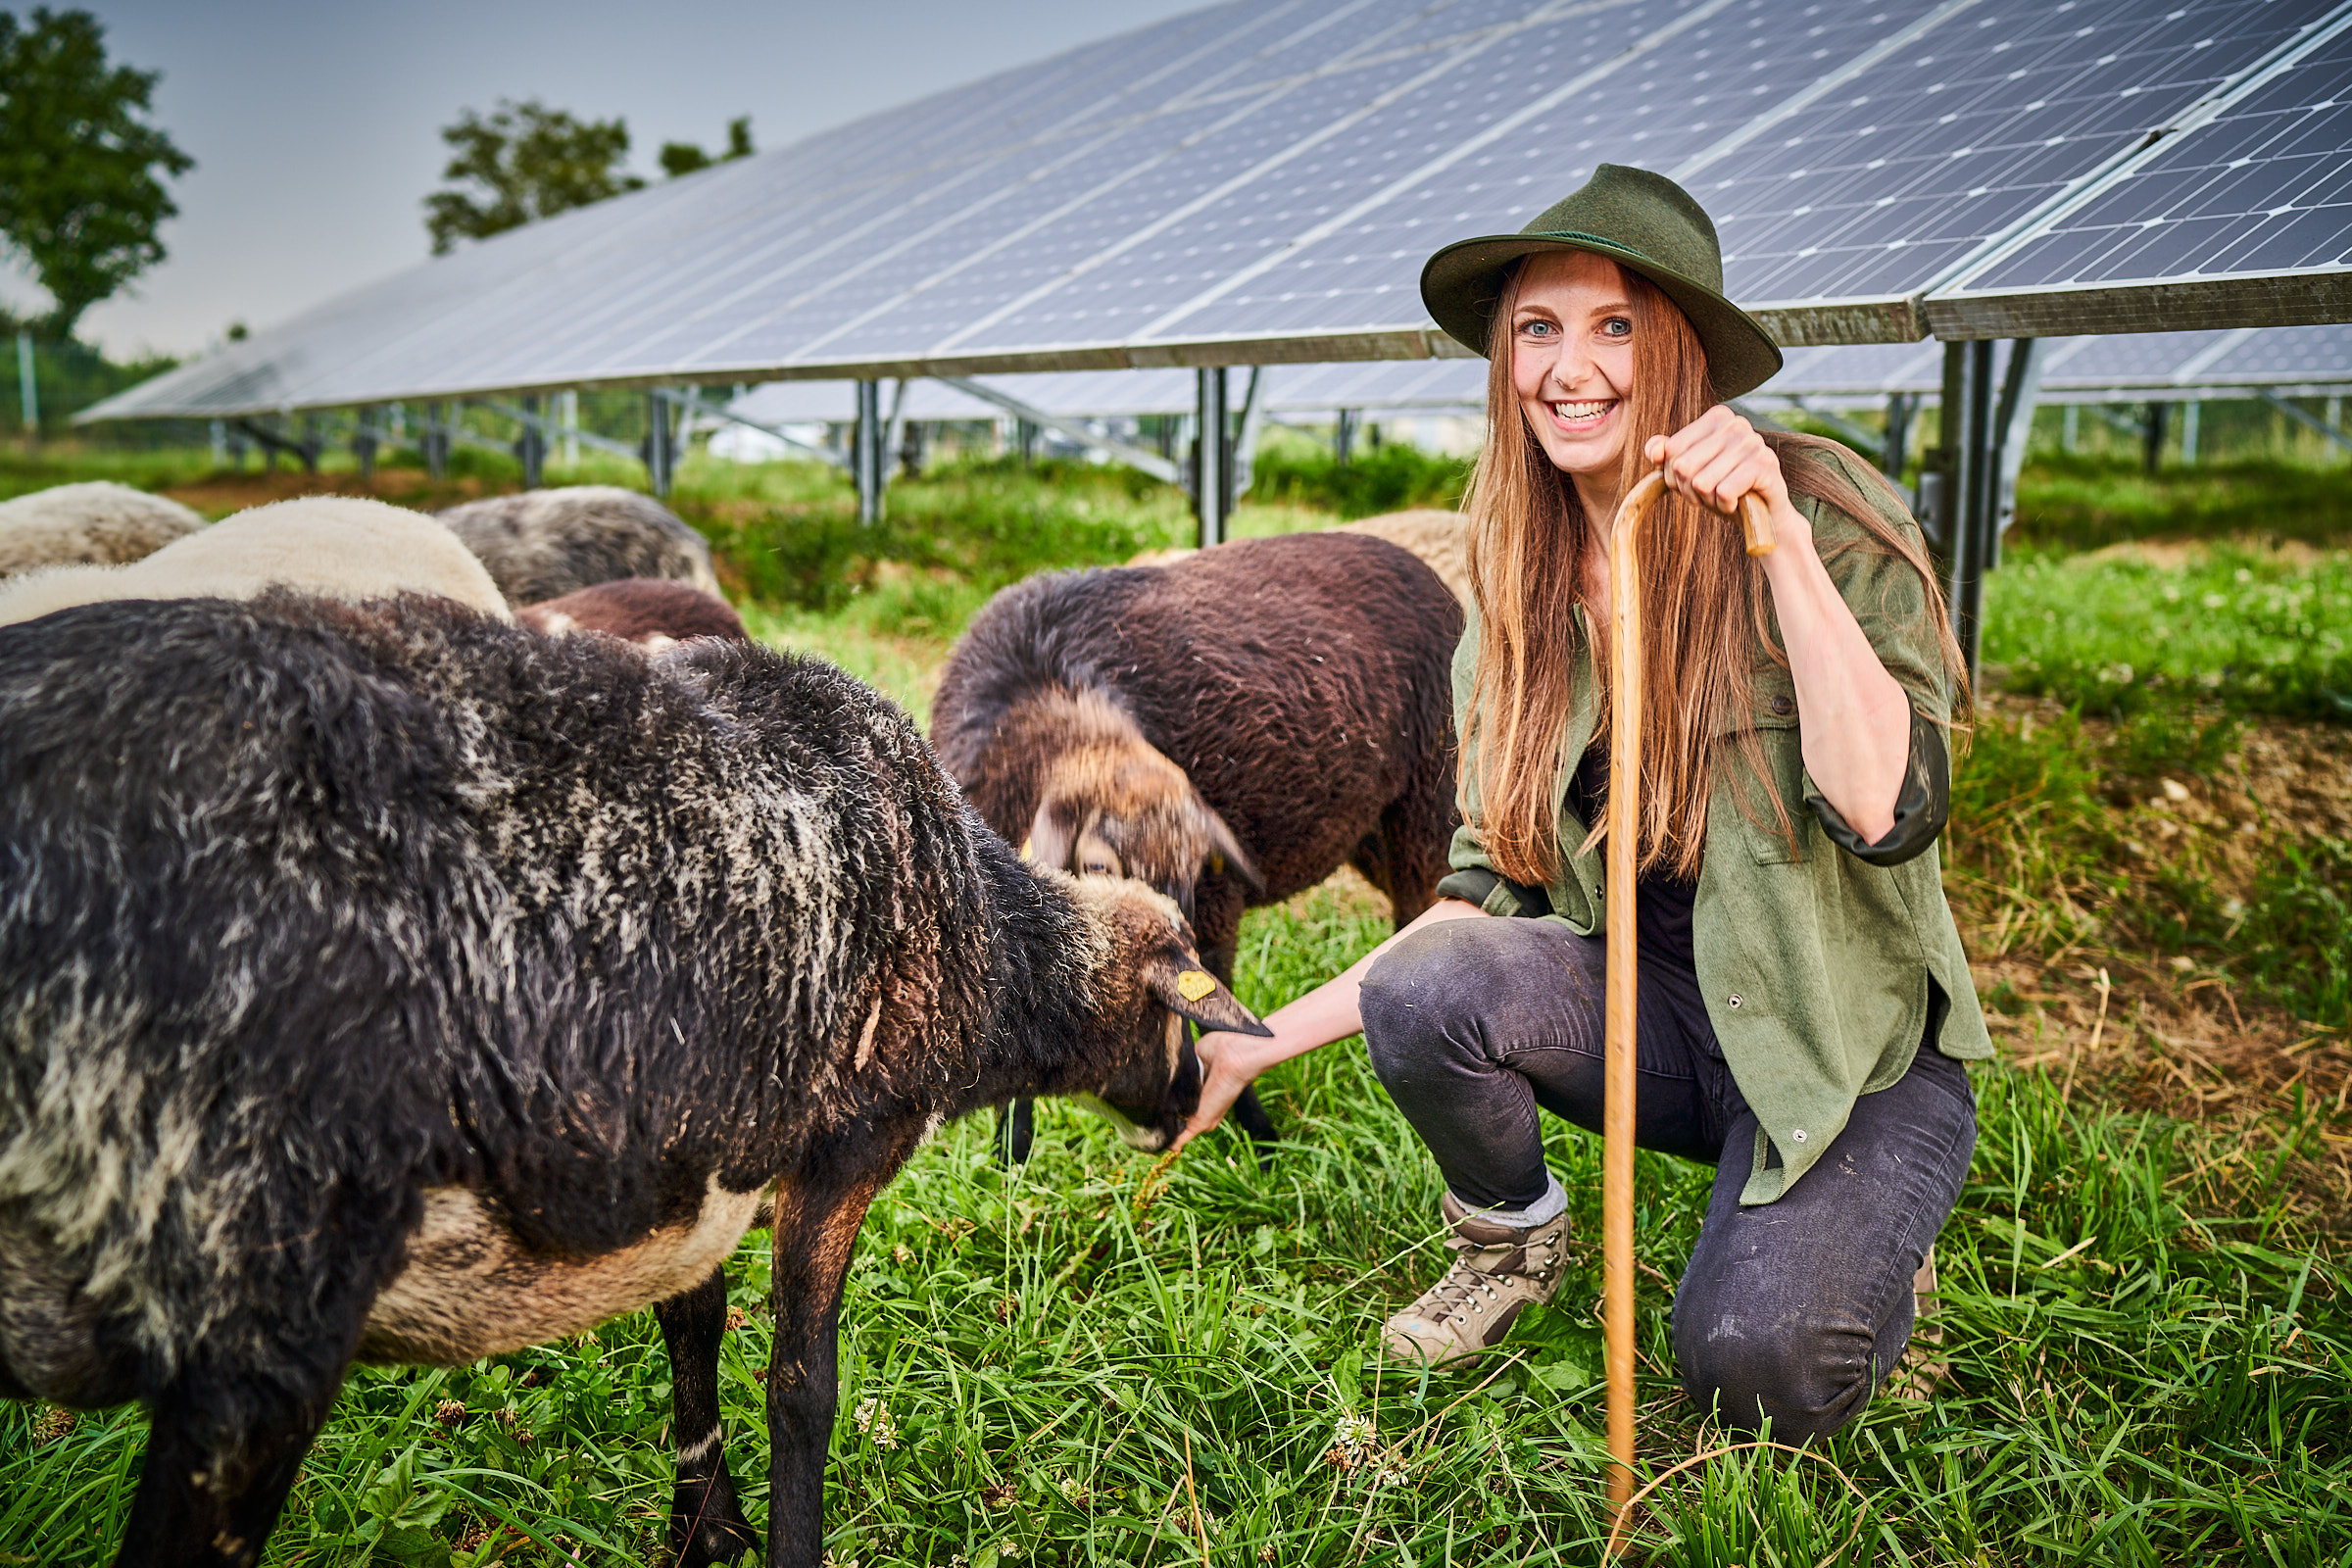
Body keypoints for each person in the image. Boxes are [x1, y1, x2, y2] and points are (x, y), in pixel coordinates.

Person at [1175, 165, 1988, 1442]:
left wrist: (1771, 534)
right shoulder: (1517, 593)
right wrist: (1262, 1034)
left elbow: (1885, 804)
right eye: (1536, 330)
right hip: (1656, 1025)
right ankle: (1508, 1245)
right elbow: (1477, 897)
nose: (1570, 366)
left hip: (1851, 1050)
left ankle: (1875, 1253)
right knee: (1426, 982)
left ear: (1680, 348)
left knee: (1758, 1371)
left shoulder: (1823, 508)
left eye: (1613, 325)